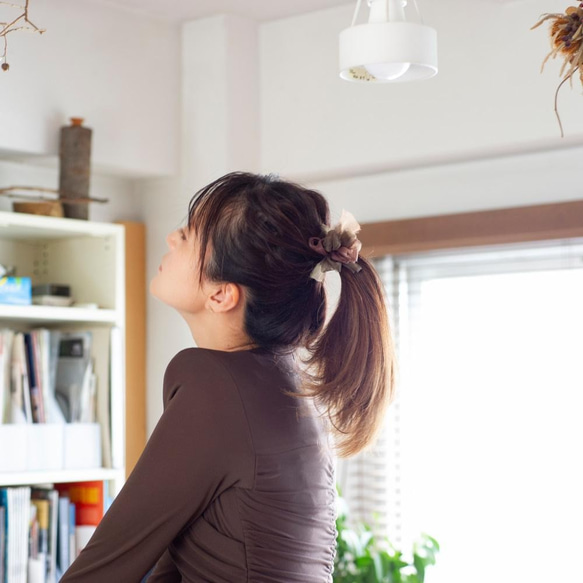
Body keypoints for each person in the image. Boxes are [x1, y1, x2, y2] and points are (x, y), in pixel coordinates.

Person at [60, 171, 396, 582]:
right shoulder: (285, 384)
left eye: (189, 234)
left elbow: (98, 573)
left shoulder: (217, 389)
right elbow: (176, 561)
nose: (171, 238)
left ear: (222, 294)